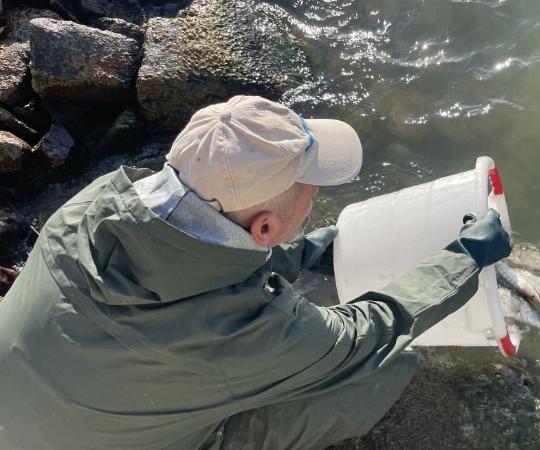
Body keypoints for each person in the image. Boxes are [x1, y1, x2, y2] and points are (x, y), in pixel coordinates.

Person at [0, 96, 511, 450]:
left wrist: (310, 248)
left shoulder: (89, 207)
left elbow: (197, 260)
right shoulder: (243, 328)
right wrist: (465, 256)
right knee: (384, 371)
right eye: (311, 191)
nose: (315, 197)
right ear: (265, 225)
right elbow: (367, 334)